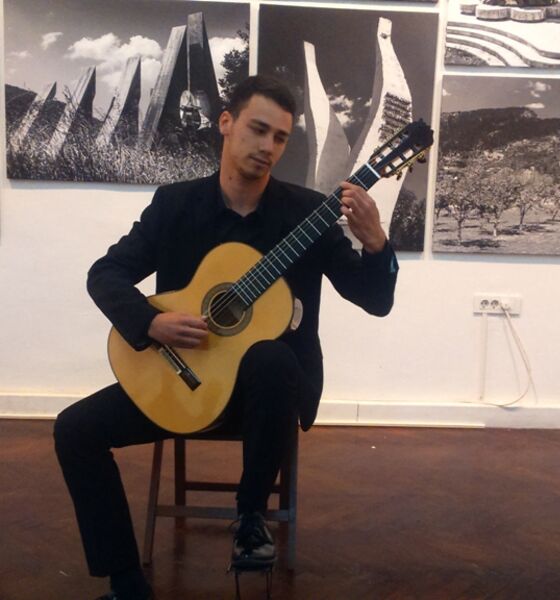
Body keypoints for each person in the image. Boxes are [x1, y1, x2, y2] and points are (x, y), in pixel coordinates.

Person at [54, 75, 398, 600]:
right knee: (73, 430)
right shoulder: (175, 205)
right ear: (226, 123)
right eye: (258, 129)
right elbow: (105, 274)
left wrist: (376, 245)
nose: (268, 146)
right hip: (185, 381)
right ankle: (126, 584)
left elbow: (374, 300)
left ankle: (250, 518)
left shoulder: (307, 214)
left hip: (271, 396)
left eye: (280, 137)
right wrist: (148, 322)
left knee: (270, 357)